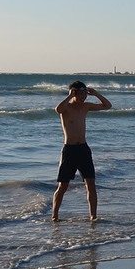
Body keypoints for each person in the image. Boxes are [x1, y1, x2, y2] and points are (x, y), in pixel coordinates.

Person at [52, 80, 112, 221]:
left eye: (84, 94)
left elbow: (107, 106)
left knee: (90, 183)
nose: (83, 97)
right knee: (63, 185)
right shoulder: (66, 107)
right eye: (80, 94)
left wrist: (96, 93)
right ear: (73, 93)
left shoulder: (86, 107)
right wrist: (69, 96)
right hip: (69, 150)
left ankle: (93, 216)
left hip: (83, 149)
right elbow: (58, 109)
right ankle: (54, 215)